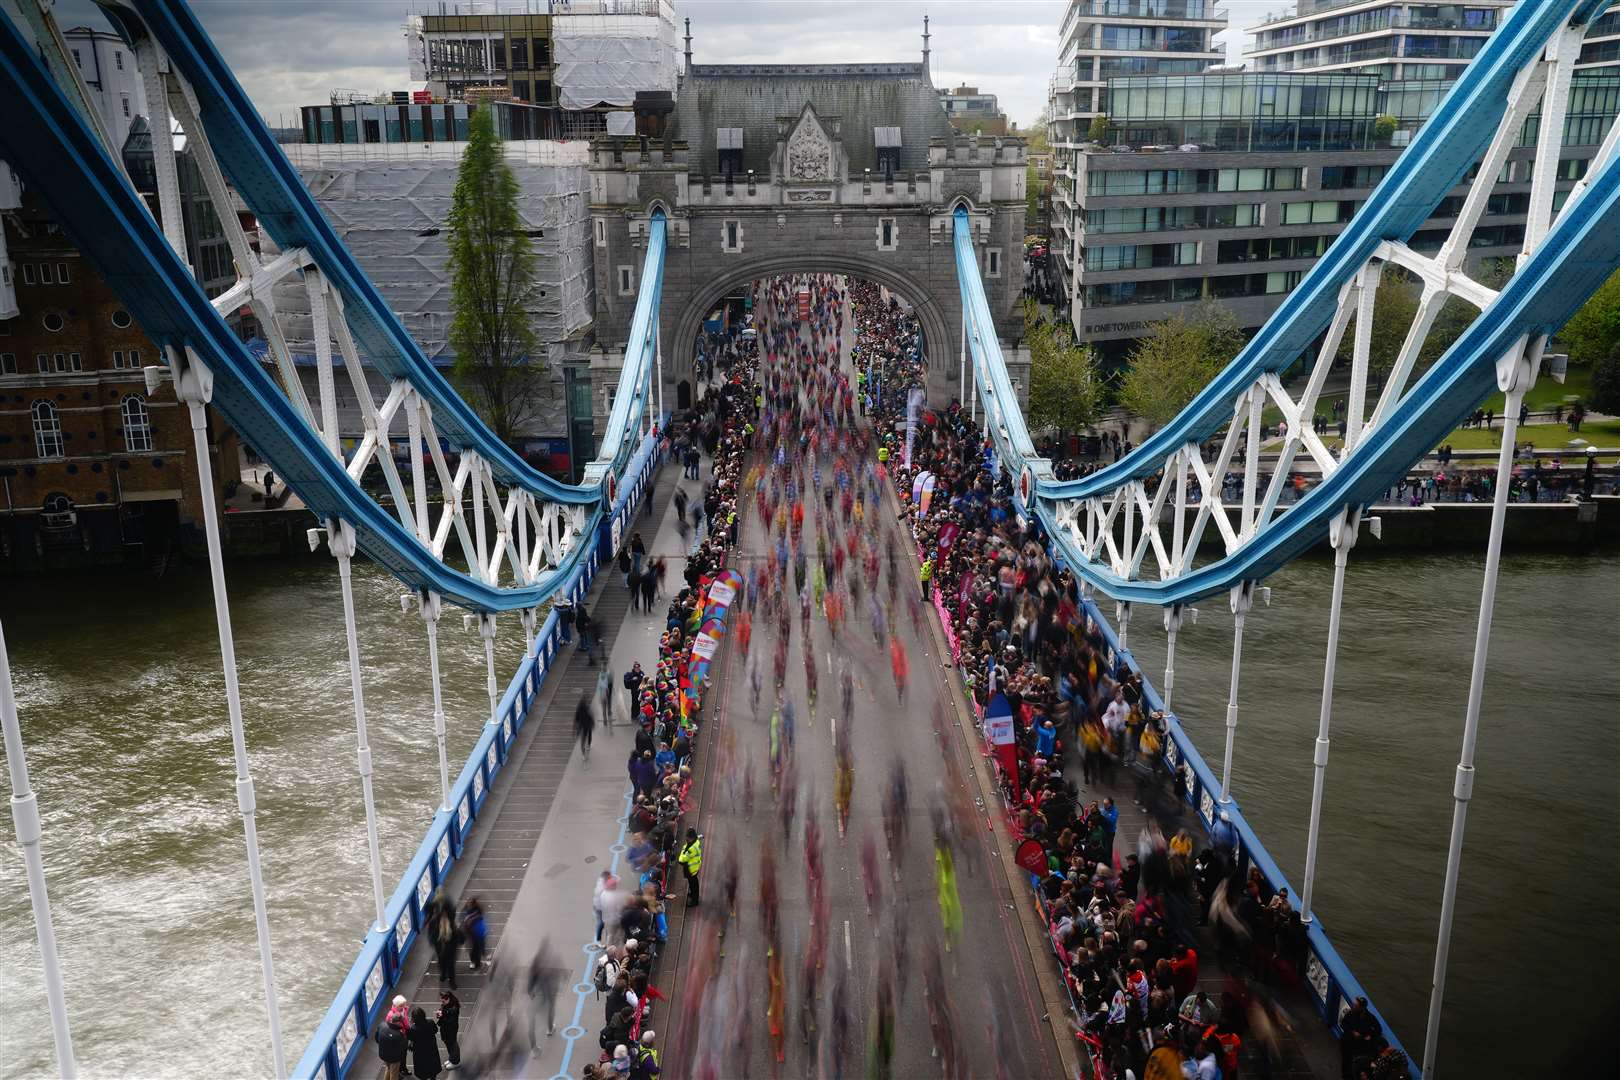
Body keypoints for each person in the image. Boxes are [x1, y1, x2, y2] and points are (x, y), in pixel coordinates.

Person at [1339, 996, 1381, 1078]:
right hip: (1347, 1042)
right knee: (1346, 1061)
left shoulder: (1369, 1017)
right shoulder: (1351, 1013)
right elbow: (1343, 1024)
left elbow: (1378, 1029)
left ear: (1362, 1007)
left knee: (1356, 1064)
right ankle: (1345, 1076)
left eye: (1356, 1006)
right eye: (1354, 1004)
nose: (1354, 1006)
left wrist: (1370, 1036)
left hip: (1359, 1046)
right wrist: (1352, 1032)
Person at [408, 1006, 443, 1079]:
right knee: (432, 1064)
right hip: (431, 1048)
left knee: (422, 1068)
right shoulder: (430, 1022)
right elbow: (435, 1030)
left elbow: (411, 1038)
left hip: (420, 1051)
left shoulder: (413, 1028)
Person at [376, 1014, 408, 1080]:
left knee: (388, 1069)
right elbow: (404, 1048)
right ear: (398, 1022)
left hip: (384, 1055)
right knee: (394, 1074)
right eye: (401, 1022)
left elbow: (376, 1038)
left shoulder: (382, 1025)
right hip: (394, 1059)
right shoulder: (399, 1035)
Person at [460, 897, 487, 972]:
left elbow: (477, 922)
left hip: (476, 934)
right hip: (471, 935)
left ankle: (477, 962)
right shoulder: (468, 912)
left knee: (476, 949)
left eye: (470, 904)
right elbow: (462, 920)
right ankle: (474, 961)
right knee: (472, 949)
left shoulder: (476, 912)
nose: (469, 905)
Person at [677, 827, 703, 906]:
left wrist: (683, 850)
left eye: (687, 838)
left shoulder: (692, 849)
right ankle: (693, 894)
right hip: (694, 868)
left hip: (691, 869)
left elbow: (681, 860)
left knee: (693, 884)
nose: (686, 839)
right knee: (693, 884)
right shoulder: (695, 841)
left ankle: (695, 901)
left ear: (691, 838)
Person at [436, 990, 461, 1071]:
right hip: (445, 1029)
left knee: (452, 1044)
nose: (443, 1002)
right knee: (448, 1043)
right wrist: (440, 1013)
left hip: (451, 1029)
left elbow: (450, 1021)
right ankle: (452, 1059)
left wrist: (442, 1016)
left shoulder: (454, 1009)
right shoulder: (446, 1004)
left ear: (449, 999)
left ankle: (455, 1062)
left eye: (444, 1000)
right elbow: (442, 1009)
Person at [575, 694, 596, 758]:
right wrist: (593, 723)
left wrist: (576, 729)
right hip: (587, 725)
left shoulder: (579, 709)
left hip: (582, 727)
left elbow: (576, 719)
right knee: (589, 736)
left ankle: (583, 754)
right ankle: (588, 746)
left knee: (583, 741)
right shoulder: (587, 708)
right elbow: (590, 717)